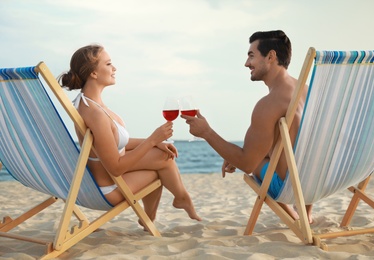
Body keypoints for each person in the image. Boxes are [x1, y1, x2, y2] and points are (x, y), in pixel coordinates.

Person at [58, 44, 201, 228]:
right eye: (109, 64)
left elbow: (113, 143)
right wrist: (152, 140)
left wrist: (156, 142)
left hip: (106, 180)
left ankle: (158, 211)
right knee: (163, 162)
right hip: (109, 189)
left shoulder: (88, 103)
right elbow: (116, 167)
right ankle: (177, 201)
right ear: (93, 73)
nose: (114, 68)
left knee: (162, 156)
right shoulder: (95, 113)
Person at [181, 30, 313, 223]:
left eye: (251, 56)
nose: (246, 63)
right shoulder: (306, 91)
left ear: (271, 56)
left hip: (291, 189)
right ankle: (306, 214)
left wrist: (206, 133)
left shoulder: (270, 103)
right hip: (317, 183)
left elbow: (247, 163)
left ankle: (295, 215)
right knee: (266, 152)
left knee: (254, 161)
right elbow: (295, 145)